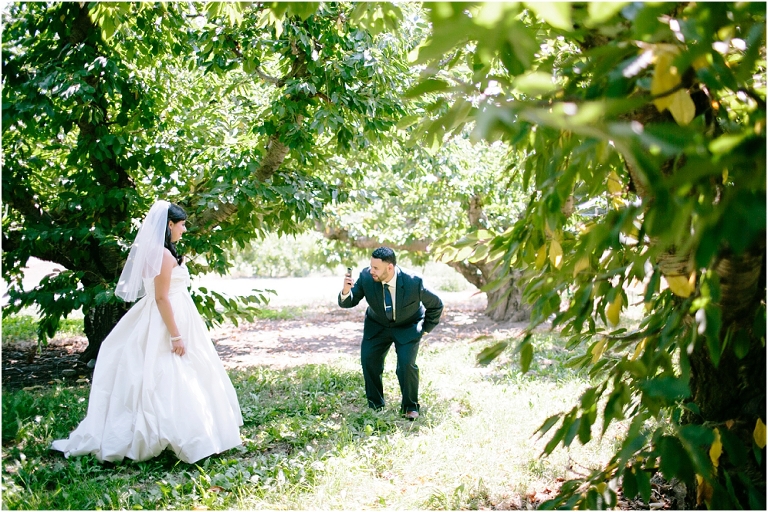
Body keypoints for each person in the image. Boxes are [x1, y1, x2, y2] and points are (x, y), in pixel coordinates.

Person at [51, 201, 242, 463]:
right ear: (169, 225)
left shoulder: (158, 252)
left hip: (175, 312)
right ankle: (181, 434)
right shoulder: (162, 256)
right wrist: (175, 335)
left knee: (181, 370)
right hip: (167, 317)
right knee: (169, 369)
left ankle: (192, 430)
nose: (184, 230)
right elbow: (162, 298)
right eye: (182, 224)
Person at [339, 247, 443, 420]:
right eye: (371, 266)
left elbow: (437, 305)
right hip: (377, 325)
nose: (371, 270)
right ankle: (375, 406)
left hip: (408, 326)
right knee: (369, 361)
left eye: (376, 268)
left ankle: (410, 407)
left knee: (406, 365)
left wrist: (425, 329)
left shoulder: (414, 281)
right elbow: (349, 302)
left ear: (390, 267)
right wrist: (345, 291)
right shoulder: (366, 277)